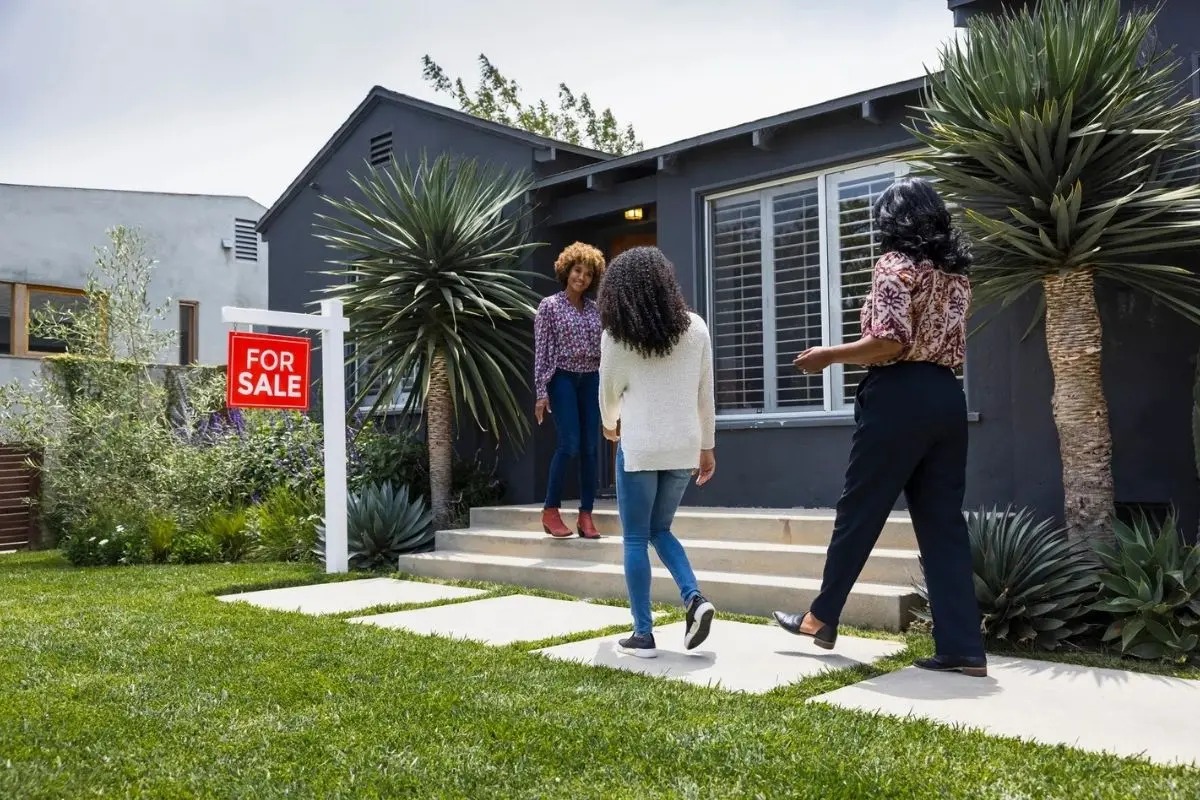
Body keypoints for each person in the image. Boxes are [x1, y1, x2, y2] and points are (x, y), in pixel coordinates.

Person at [773, 177, 987, 678]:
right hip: (946, 397)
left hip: (899, 398)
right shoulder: (956, 275)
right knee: (943, 525)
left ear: (892, 221)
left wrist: (828, 356)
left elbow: (890, 341)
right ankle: (963, 648)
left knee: (860, 510)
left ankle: (820, 618)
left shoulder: (893, 266)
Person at [598, 246, 717, 658]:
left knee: (635, 538)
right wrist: (707, 447)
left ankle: (643, 634)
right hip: (683, 446)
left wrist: (610, 426)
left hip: (641, 448)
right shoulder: (697, 328)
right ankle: (694, 598)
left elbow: (608, 395)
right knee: (660, 530)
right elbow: (706, 397)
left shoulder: (617, 337)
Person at [534, 242, 605, 539]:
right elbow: (542, 349)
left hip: (591, 379)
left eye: (589, 274)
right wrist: (541, 390)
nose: (582, 278)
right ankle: (551, 510)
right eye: (578, 270)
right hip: (561, 377)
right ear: (567, 270)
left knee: (591, 446)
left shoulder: (595, 309)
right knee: (570, 444)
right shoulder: (549, 306)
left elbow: (604, 348)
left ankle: (586, 515)